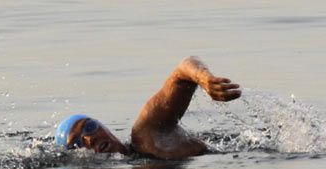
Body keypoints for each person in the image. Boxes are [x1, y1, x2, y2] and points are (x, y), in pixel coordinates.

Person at [54, 56, 241, 159]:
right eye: (78, 143)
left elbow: (184, 69)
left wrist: (204, 78)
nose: (90, 138)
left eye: (89, 127)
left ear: (103, 127)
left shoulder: (147, 132)